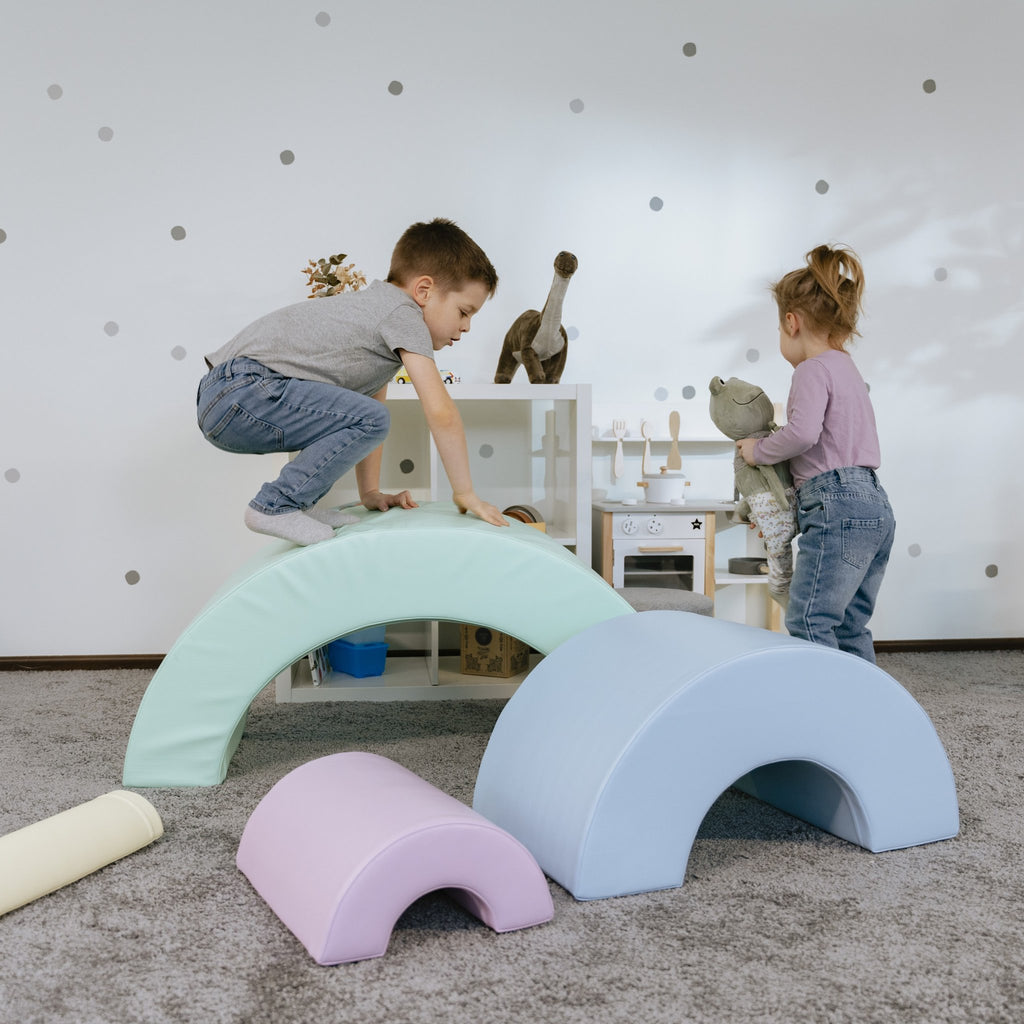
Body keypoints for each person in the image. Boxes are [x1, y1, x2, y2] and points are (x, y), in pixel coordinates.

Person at [197, 218, 509, 545]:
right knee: (374, 420)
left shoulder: (376, 316)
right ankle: (275, 505)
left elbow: (370, 405)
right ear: (424, 291)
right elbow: (440, 412)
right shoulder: (404, 315)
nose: (467, 327)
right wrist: (465, 493)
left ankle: (296, 504)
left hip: (225, 396)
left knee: (365, 416)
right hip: (244, 390)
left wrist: (369, 493)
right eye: (464, 311)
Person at [736, 245, 895, 663]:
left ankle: (823, 709)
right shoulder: (847, 367)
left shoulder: (810, 369)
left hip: (836, 502)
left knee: (809, 619)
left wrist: (759, 452)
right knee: (849, 624)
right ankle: (867, 704)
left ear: (791, 322)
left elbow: (803, 434)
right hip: (875, 504)